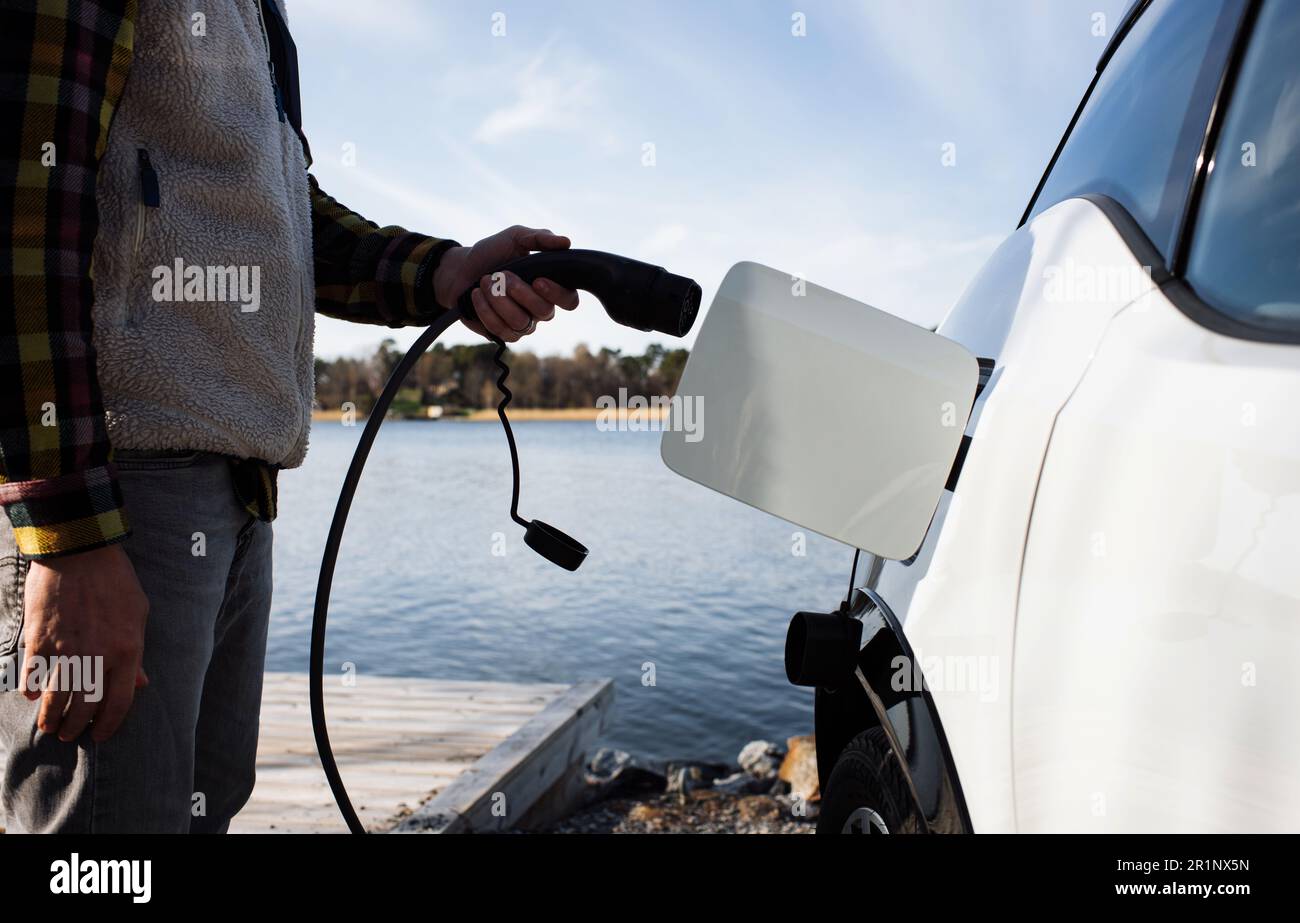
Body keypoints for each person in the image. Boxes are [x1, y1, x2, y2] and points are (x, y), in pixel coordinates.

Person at [0, 0, 578, 832]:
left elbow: (277, 218)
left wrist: (443, 273)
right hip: (117, 497)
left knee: (199, 811)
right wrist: (68, 533)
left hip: (236, 495)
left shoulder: (259, 15)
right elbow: (25, 204)